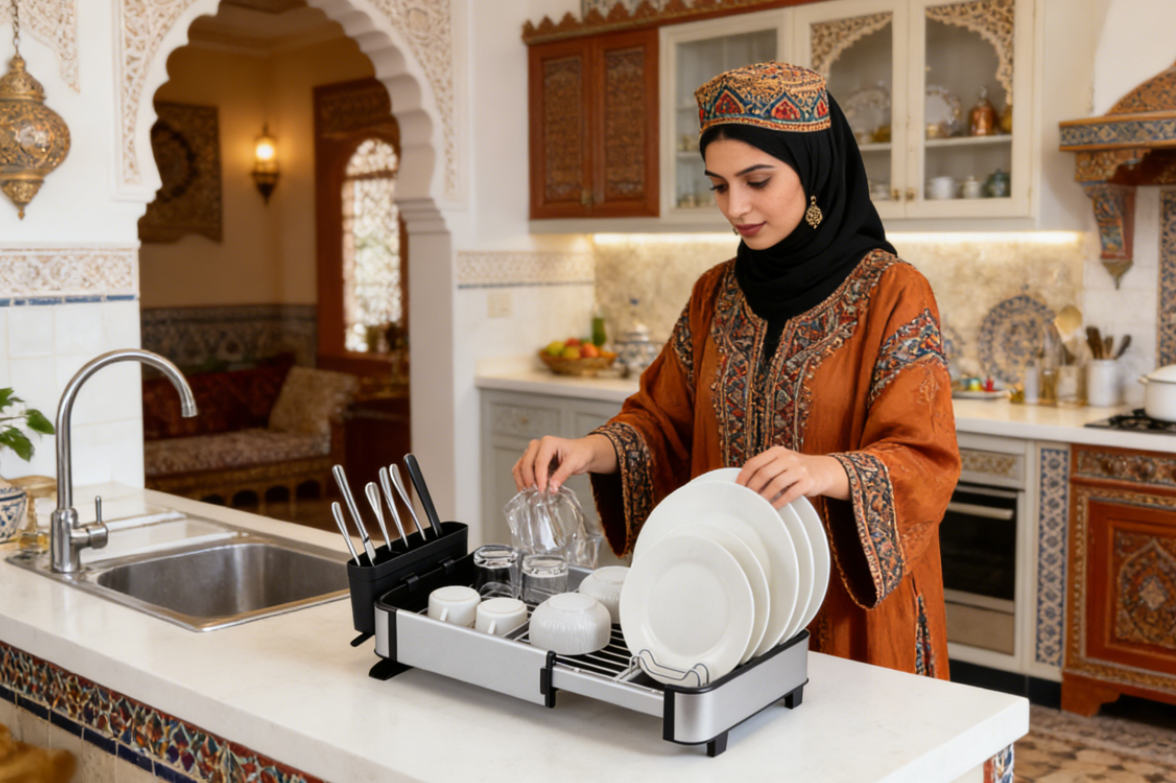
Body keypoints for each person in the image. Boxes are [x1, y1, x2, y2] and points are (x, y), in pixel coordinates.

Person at [513, 62, 960, 679]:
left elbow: (925, 456)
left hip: (849, 610)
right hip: (726, 598)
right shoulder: (715, 293)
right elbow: (662, 423)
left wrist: (828, 470)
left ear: (814, 169)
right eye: (719, 186)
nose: (735, 207)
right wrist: (588, 451)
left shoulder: (893, 292)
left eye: (757, 180)